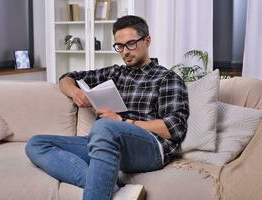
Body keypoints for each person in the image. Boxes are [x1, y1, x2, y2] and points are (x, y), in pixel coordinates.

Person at [25, 15, 189, 200]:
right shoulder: (114, 73)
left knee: (104, 125)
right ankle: (116, 190)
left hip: (150, 148)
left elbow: (174, 129)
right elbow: (67, 77)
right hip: (104, 142)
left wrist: (123, 121)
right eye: (119, 46)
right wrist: (75, 93)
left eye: (131, 44)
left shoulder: (167, 78)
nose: (125, 51)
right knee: (36, 143)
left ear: (147, 41)